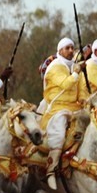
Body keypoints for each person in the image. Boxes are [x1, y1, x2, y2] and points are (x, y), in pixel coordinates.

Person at [40, 38, 84, 166]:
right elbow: (66, 84)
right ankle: (51, 168)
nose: (71, 51)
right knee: (59, 132)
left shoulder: (73, 66)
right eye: (67, 48)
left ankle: (75, 154)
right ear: (60, 51)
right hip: (57, 108)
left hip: (75, 107)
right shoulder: (55, 67)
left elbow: (80, 88)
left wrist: (82, 98)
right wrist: (76, 72)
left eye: (72, 48)